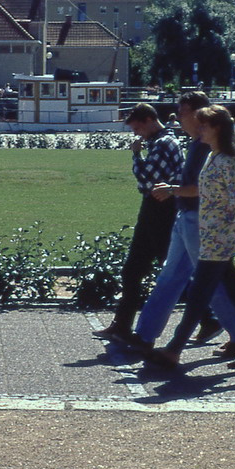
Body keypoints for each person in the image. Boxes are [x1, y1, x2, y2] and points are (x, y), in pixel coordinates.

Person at [148, 104, 235, 372]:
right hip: (215, 239)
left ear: (218, 129)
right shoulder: (215, 157)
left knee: (200, 295)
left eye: (204, 125)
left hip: (219, 243)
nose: (199, 129)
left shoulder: (227, 162)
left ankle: (174, 350)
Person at [131, 92, 235, 356]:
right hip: (186, 218)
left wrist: (172, 190)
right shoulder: (197, 144)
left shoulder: (207, 147)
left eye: (182, 112)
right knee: (170, 277)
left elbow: (202, 189)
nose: (177, 117)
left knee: (208, 282)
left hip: (198, 221)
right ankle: (145, 335)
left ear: (198, 114)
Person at [93, 102, 181, 344]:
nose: (136, 134)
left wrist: (135, 154)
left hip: (159, 211)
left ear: (150, 121)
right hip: (158, 210)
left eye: (137, 128)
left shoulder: (162, 144)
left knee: (162, 270)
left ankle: (209, 317)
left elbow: (146, 181)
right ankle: (121, 324)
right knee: (137, 270)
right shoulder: (163, 142)